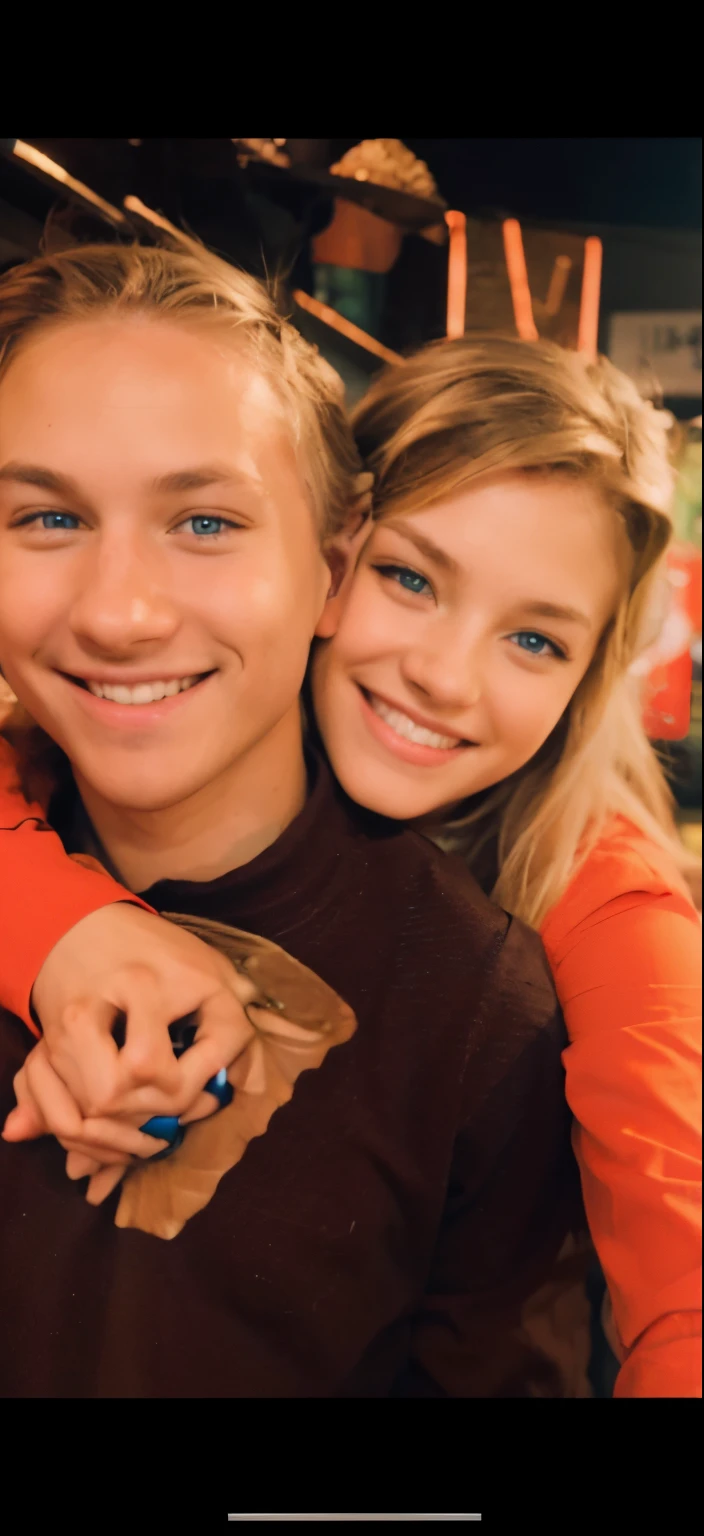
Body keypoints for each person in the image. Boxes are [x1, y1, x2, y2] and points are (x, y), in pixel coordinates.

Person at [2, 322, 700, 1399]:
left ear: (585, 679)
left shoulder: (594, 914)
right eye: (411, 581)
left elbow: (679, 1268)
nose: (444, 677)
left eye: (534, 641)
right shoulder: (63, 763)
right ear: (326, 561)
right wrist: (62, 930)